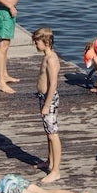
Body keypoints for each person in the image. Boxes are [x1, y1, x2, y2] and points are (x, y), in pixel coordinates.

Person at [32, 28, 63, 182]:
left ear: (46, 42)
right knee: (48, 131)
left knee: (53, 134)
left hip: (48, 99)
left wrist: (47, 104)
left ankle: (56, 170)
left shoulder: (51, 59)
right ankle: (49, 161)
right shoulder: (47, 57)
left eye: (37, 42)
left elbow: (53, 84)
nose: (35, 45)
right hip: (43, 97)